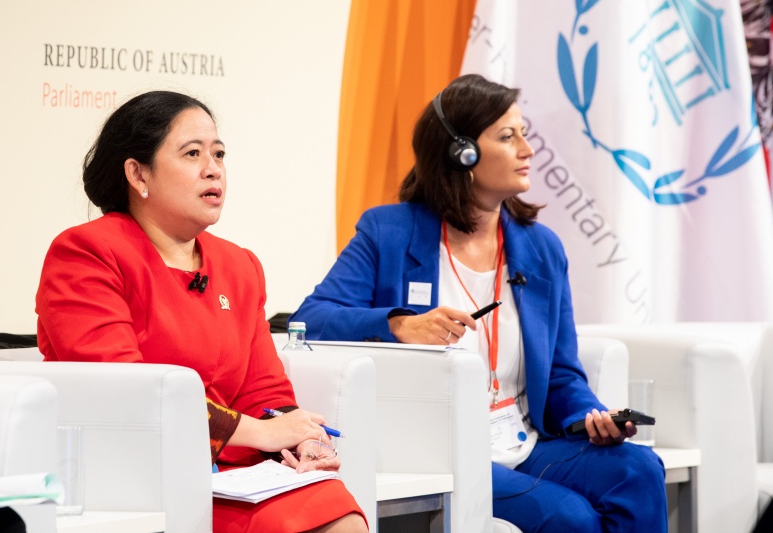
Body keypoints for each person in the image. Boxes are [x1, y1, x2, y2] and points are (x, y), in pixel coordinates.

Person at [291, 74, 667, 532]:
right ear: (461, 152)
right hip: (445, 450)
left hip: (526, 441)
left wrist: (591, 419)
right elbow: (310, 320)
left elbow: (562, 372)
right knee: (571, 517)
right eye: (508, 137)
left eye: (524, 134)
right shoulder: (388, 232)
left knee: (639, 470)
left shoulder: (541, 248)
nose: (528, 150)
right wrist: (398, 324)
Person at [35, 91, 367, 533]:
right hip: (134, 475)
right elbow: (129, 395)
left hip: (231, 474)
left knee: (337, 509)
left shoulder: (238, 265)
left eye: (219, 154)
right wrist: (260, 433)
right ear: (137, 173)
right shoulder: (87, 253)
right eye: (192, 154)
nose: (213, 169)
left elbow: (262, 388)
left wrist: (298, 438)